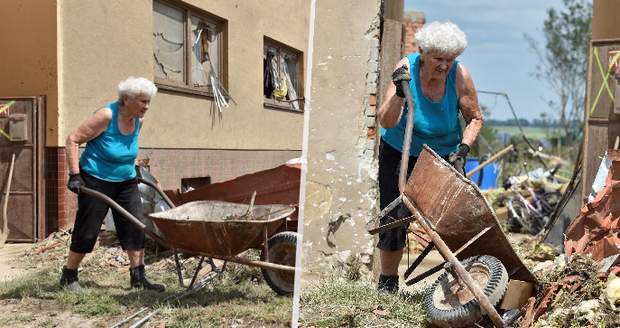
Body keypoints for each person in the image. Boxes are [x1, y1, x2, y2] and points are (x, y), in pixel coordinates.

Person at [375, 21, 483, 293]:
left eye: (450, 59)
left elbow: (475, 119)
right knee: (394, 217)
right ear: (422, 52)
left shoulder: (459, 76)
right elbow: (385, 122)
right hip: (400, 151)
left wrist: (463, 150)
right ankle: (387, 282)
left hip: (443, 154)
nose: (444, 65)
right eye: (438, 59)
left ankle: (461, 281)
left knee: (453, 219)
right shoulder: (406, 69)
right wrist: (400, 93)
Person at [60, 77, 165, 292]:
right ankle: (68, 276)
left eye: (149, 102)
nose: (147, 107)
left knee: (135, 225)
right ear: (126, 99)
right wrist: (74, 175)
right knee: (88, 230)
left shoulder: (138, 119)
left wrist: (135, 169)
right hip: (96, 179)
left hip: (126, 182)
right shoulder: (107, 115)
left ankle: (138, 278)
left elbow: (130, 146)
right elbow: (72, 140)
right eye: (143, 101)